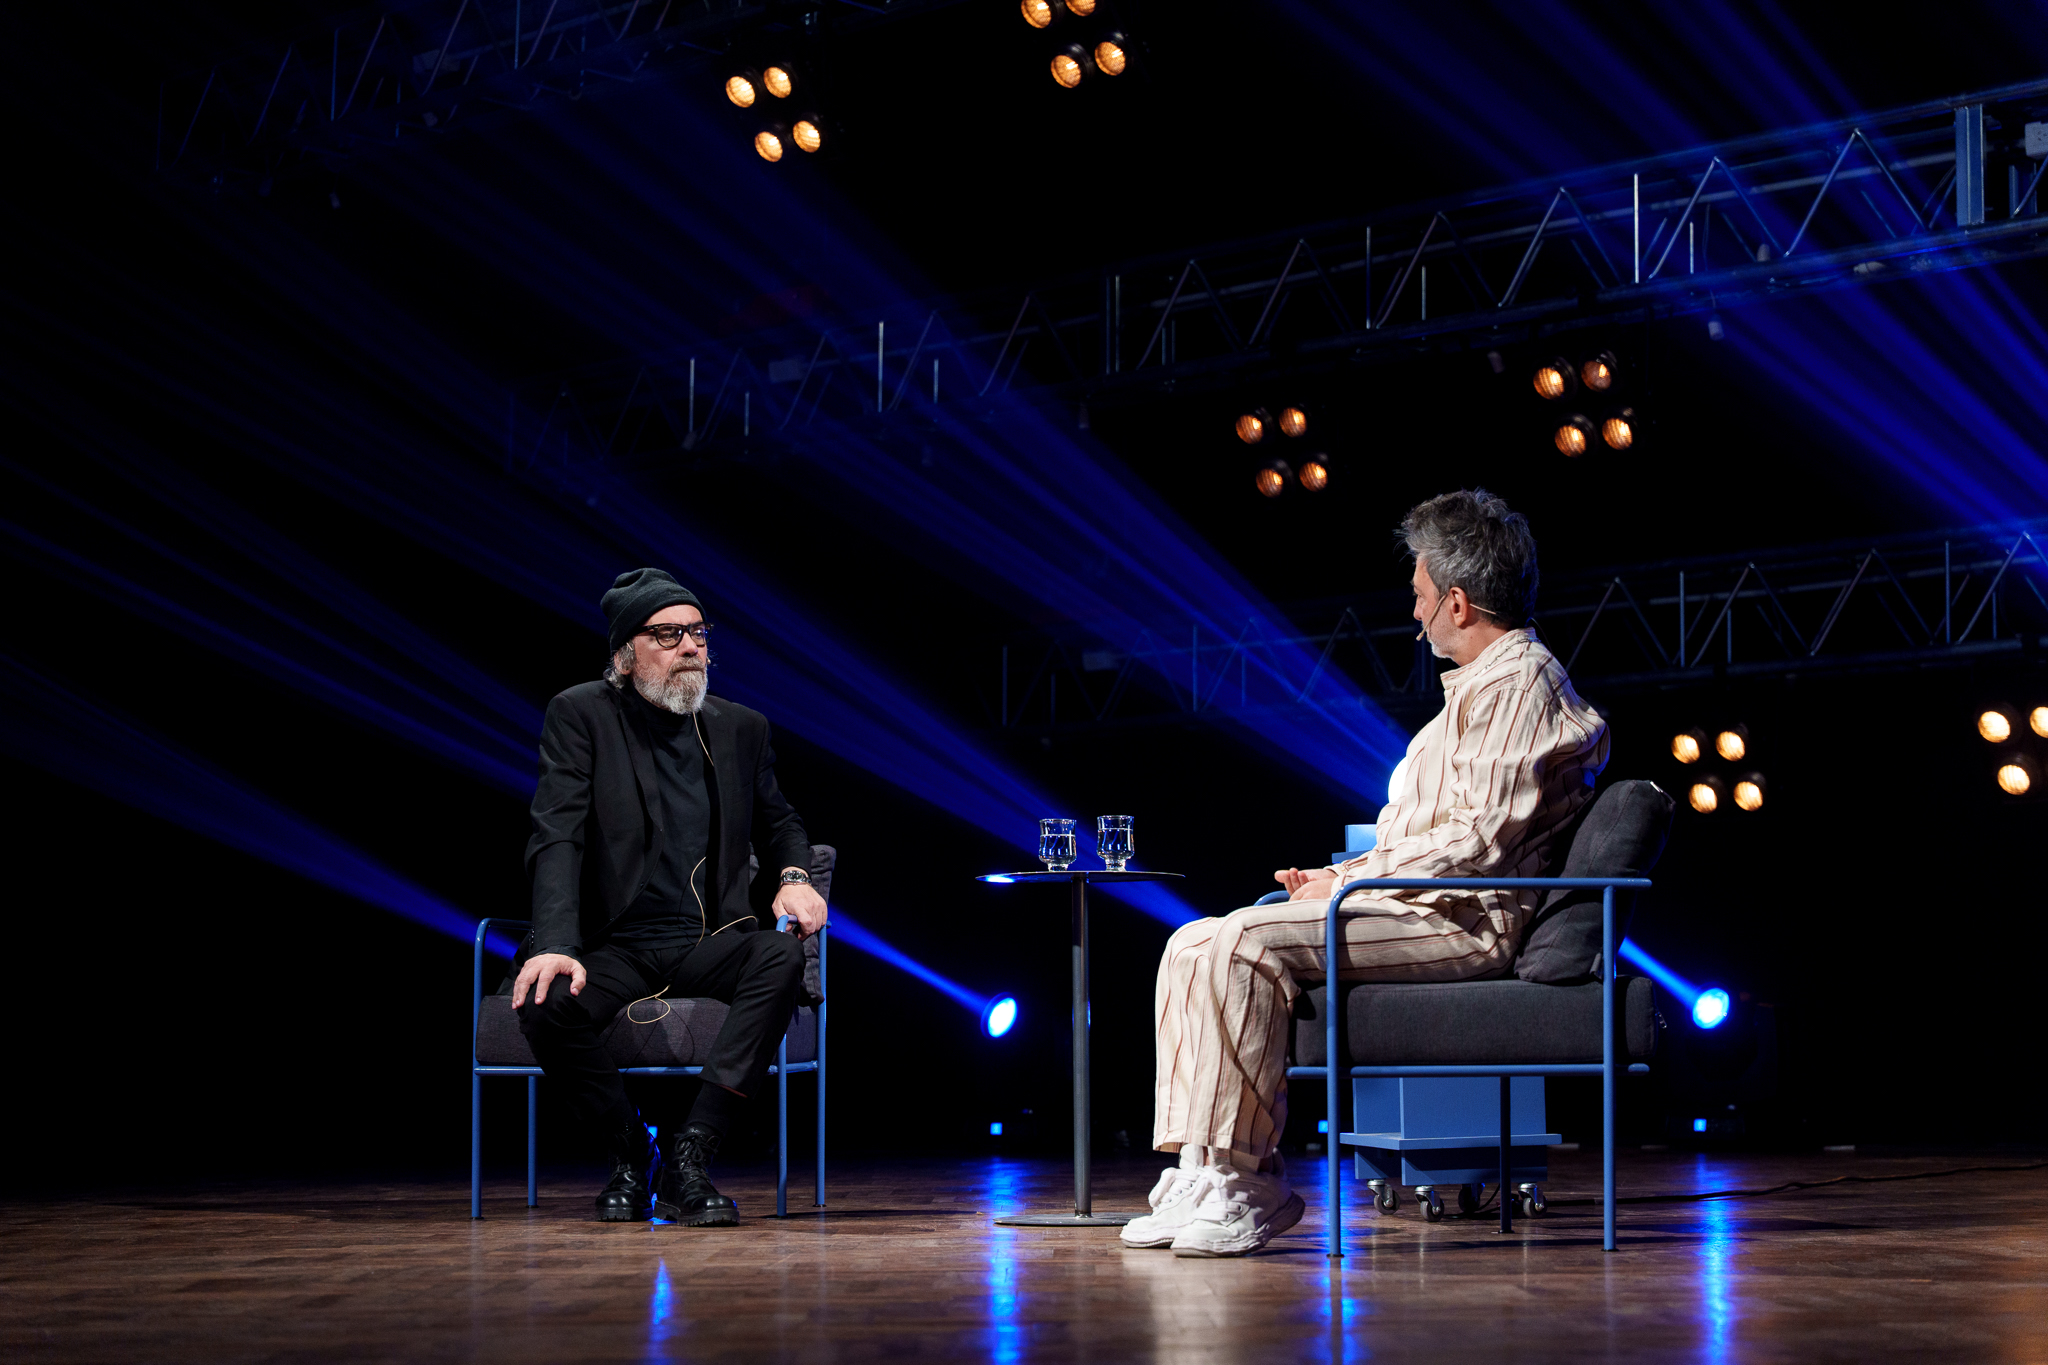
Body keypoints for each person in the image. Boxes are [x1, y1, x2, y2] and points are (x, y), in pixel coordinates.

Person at [1123, 489, 1609, 1257]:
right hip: (1418, 904)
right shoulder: (1471, 696)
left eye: (1420, 595)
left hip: (1465, 920)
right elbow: (1431, 834)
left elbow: (1478, 838)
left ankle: (1249, 1183)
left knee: (1242, 941)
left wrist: (1351, 883)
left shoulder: (1521, 684)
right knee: (1192, 941)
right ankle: (1202, 1168)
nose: (1414, 612)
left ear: (1456, 601)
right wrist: (1340, 873)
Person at [511, 568, 828, 1225]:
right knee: (545, 1002)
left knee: (779, 957)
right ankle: (632, 1152)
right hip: (613, 944)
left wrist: (794, 878)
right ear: (625, 655)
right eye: (667, 634)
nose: (690, 646)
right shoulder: (581, 715)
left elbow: (782, 825)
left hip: (708, 941)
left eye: (698, 633)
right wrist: (556, 944)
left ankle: (692, 1154)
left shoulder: (740, 727)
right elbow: (557, 835)